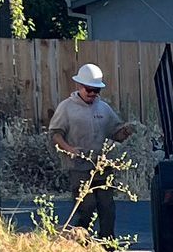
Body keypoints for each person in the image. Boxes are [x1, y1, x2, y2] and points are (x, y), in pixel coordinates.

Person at [49, 60, 126, 240]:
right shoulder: (66, 107)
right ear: (79, 86)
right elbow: (55, 134)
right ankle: (82, 243)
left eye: (96, 90)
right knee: (87, 207)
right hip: (79, 168)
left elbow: (116, 133)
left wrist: (126, 131)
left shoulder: (104, 108)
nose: (92, 94)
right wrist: (69, 149)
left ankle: (108, 244)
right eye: (88, 89)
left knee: (107, 208)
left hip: (101, 167)